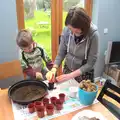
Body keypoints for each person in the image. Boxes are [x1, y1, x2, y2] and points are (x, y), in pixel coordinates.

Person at [46, 7, 99, 83]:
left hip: (84, 74)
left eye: (76, 31)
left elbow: (90, 63)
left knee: (80, 95)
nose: (73, 33)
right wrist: (54, 68)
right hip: (68, 69)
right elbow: (61, 53)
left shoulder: (93, 35)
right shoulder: (67, 30)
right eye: (70, 29)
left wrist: (71, 75)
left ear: (84, 27)